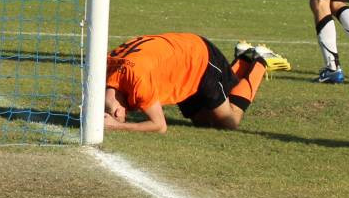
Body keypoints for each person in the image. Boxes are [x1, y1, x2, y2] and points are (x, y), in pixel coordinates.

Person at [104, 33, 290, 133]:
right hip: (179, 71)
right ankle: (244, 58)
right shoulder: (102, 72)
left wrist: (118, 126)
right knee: (204, 123)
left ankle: (260, 60)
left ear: (118, 111)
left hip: (198, 58)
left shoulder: (138, 82)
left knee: (229, 122)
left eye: (123, 116)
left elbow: (159, 126)